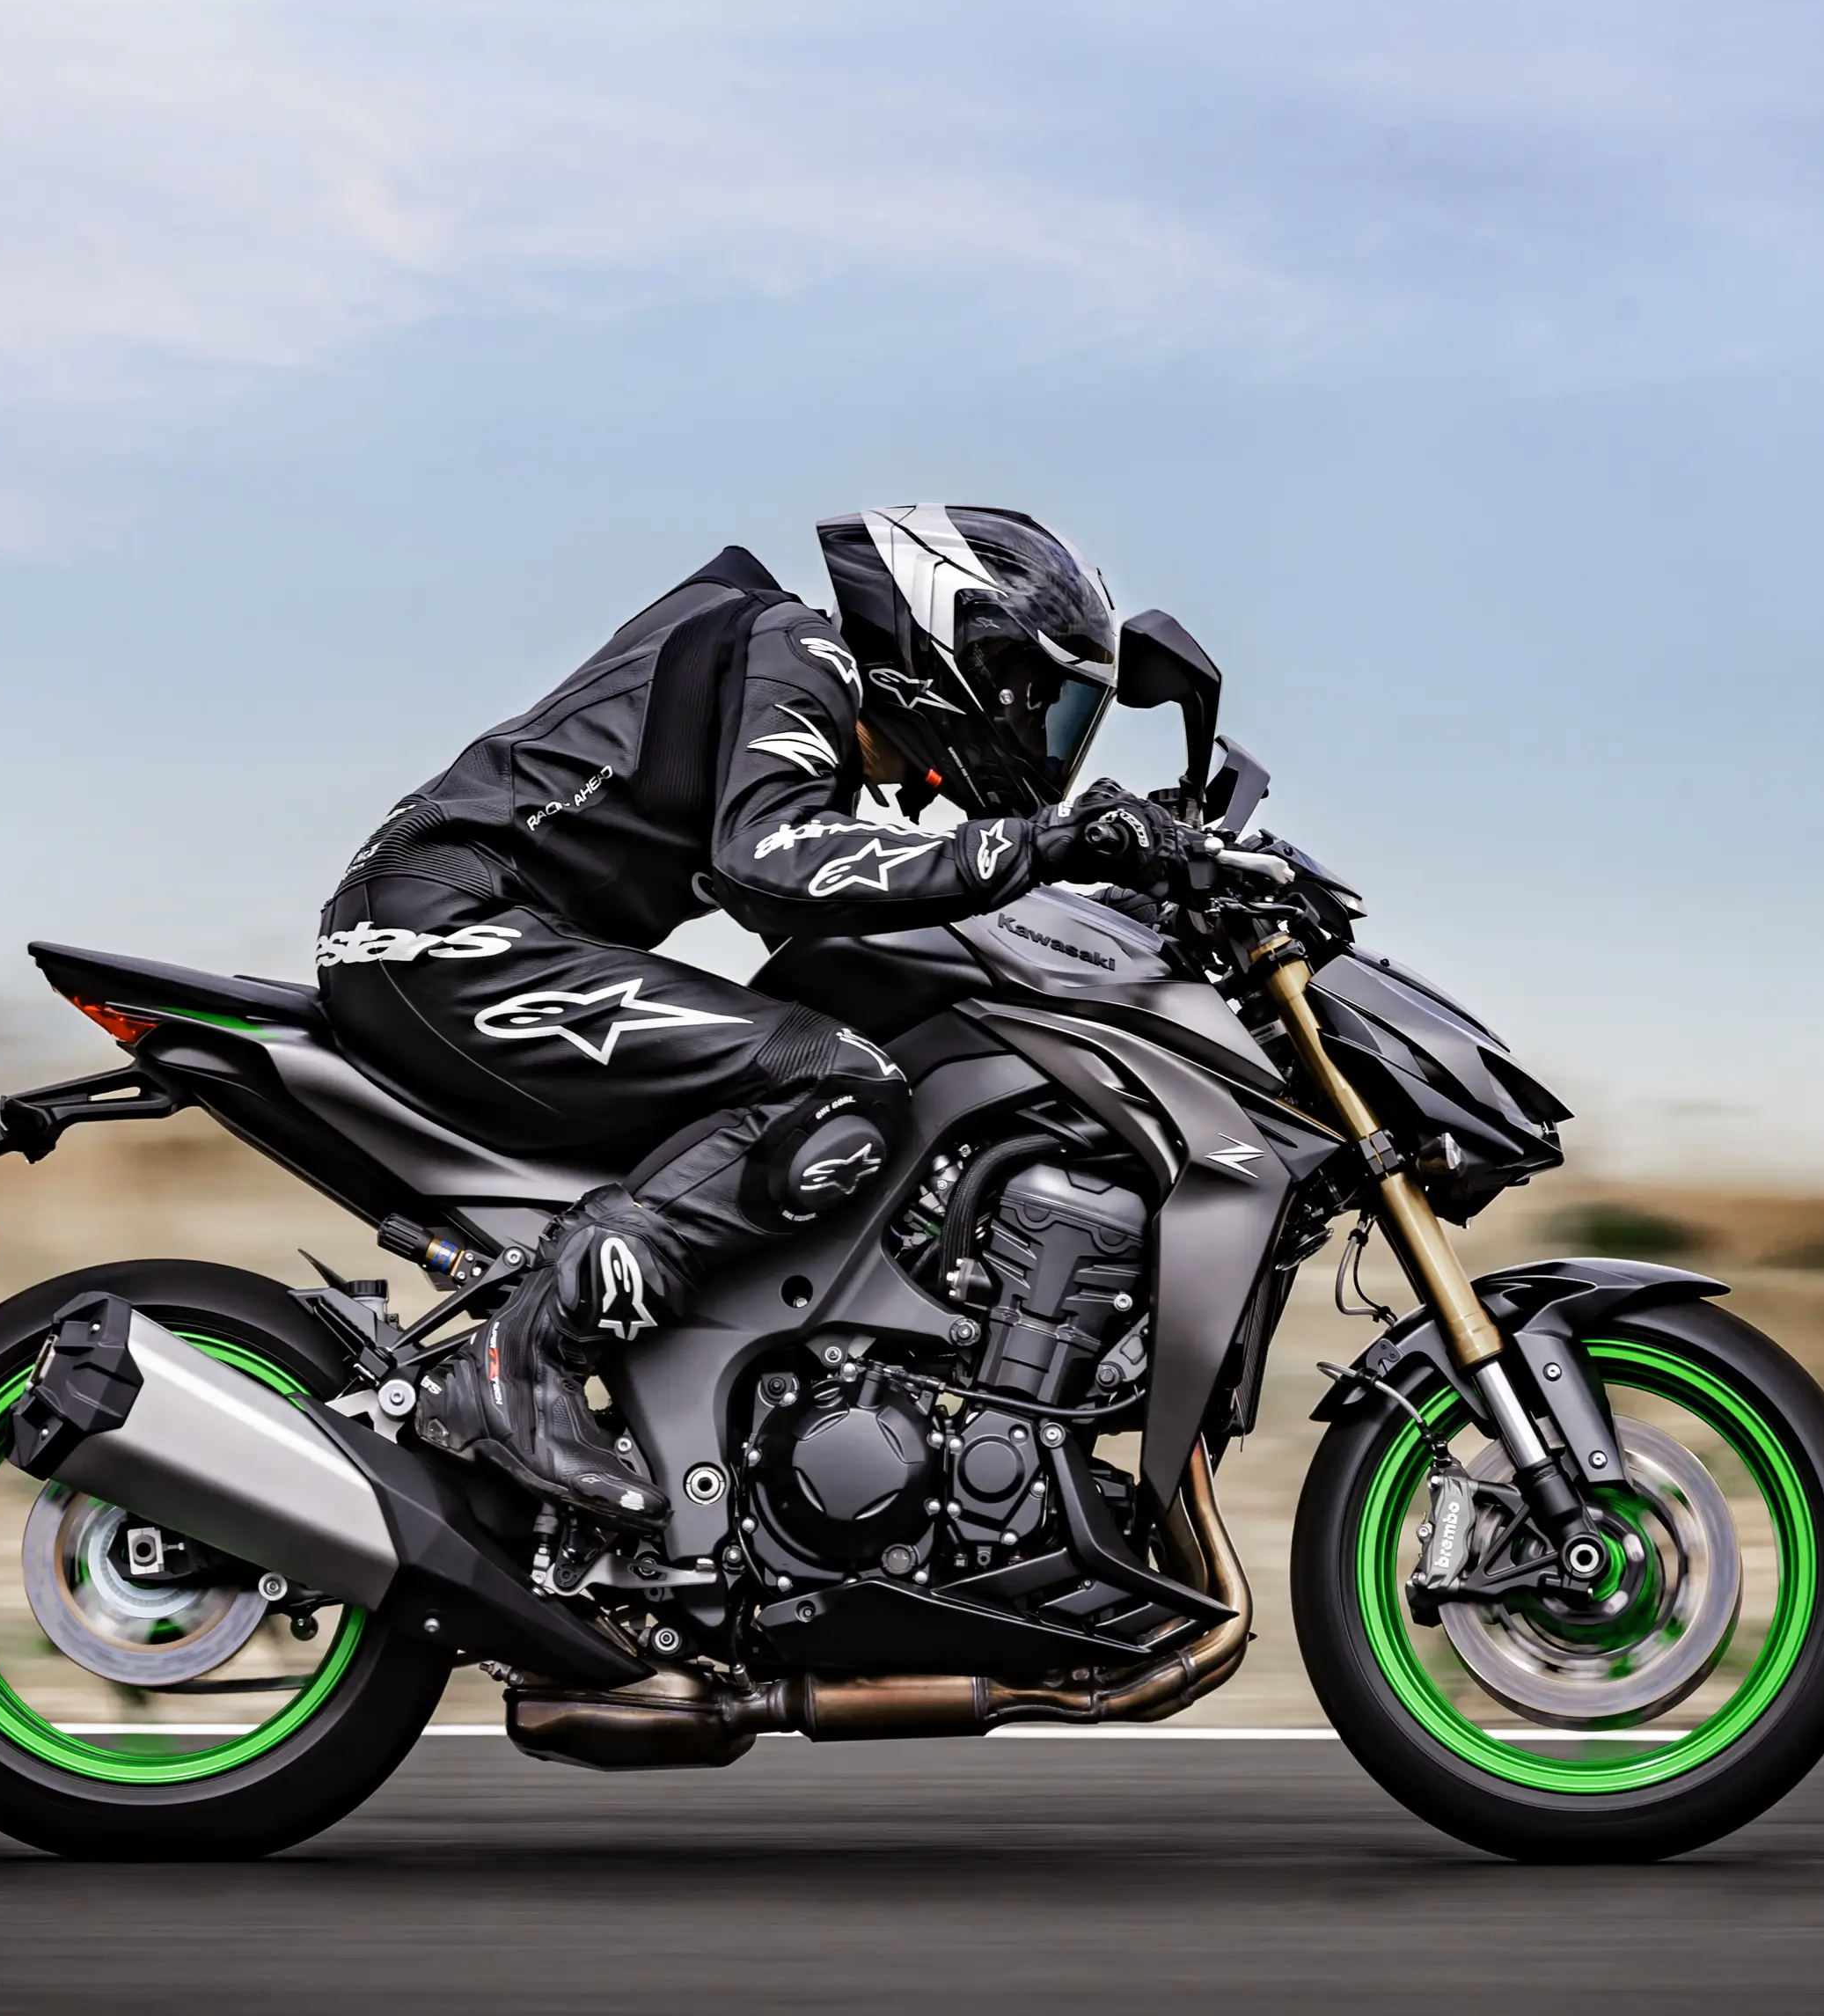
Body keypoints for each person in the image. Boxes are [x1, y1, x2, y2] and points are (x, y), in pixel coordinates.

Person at [316, 504, 1191, 1523]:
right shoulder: (798, 648)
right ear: (961, 649)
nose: (1043, 739)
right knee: (838, 1080)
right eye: (1038, 699)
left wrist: (1116, 901)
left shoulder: (794, 692)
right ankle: (520, 1366)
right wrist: (1042, 845)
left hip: (486, 937)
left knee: (819, 1057)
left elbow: (826, 901)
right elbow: (772, 859)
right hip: (444, 932)